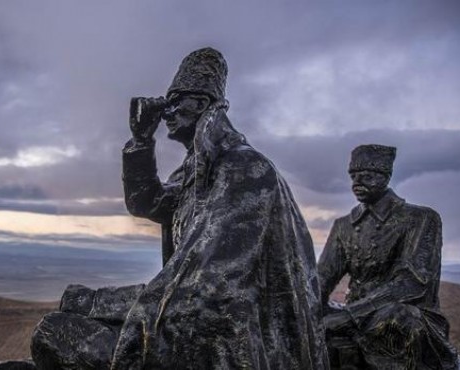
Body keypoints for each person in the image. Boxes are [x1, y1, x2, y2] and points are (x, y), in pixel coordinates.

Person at [112, 47, 328, 369]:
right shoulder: (194, 173)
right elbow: (148, 202)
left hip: (233, 328)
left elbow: (215, 277)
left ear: (201, 104)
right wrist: (141, 140)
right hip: (201, 310)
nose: (166, 113)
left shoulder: (243, 166)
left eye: (174, 103)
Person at [318, 144, 459, 370]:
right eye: (353, 175)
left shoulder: (420, 218)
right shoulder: (344, 225)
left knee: (396, 319)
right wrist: (305, 305)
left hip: (404, 315)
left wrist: (350, 315)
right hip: (355, 315)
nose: (357, 182)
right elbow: (322, 277)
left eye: (367, 175)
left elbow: (410, 284)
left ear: (386, 176)